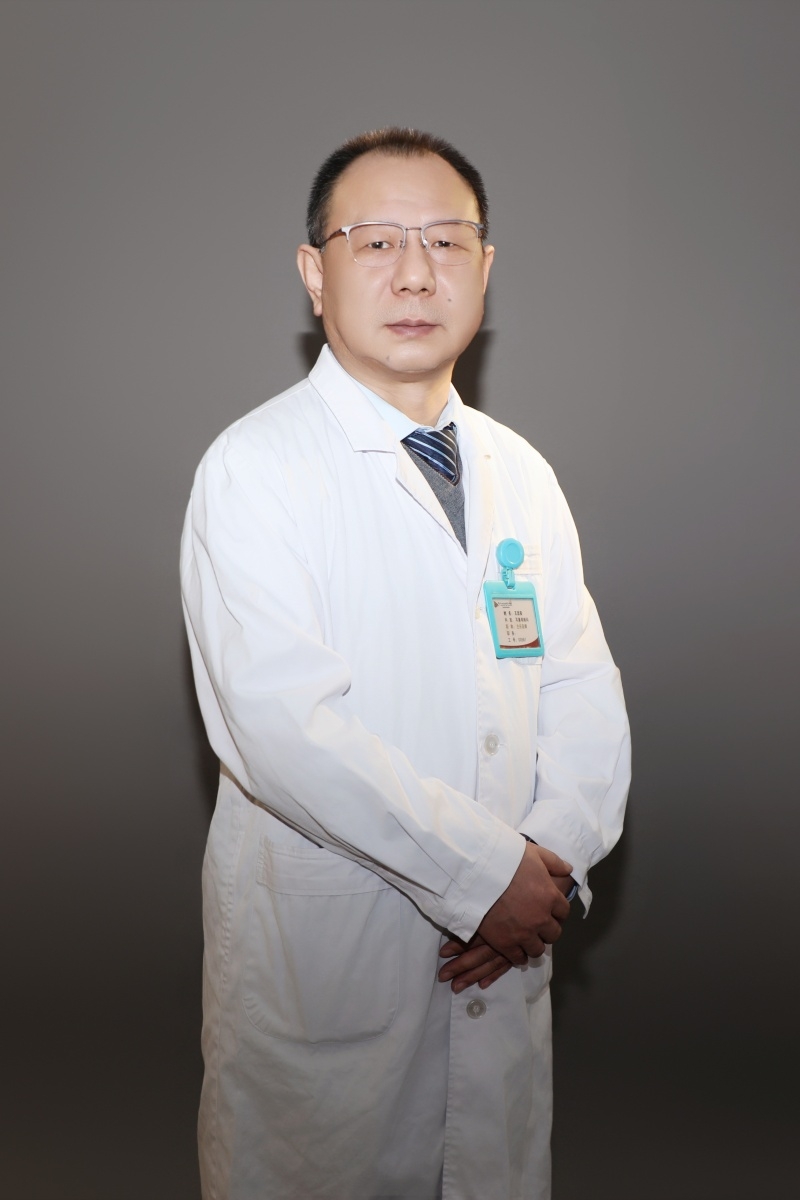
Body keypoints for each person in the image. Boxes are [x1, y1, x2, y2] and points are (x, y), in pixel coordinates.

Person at [181, 127, 630, 1200]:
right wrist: (483, 878)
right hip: (334, 958)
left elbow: (580, 686)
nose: (416, 273)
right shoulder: (253, 469)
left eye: (446, 241)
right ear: (314, 273)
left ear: (485, 267)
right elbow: (282, 730)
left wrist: (548, 862)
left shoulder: (521, 473)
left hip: (506, 945)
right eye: (376, 241)